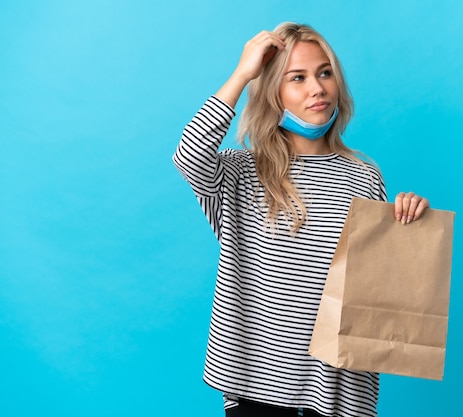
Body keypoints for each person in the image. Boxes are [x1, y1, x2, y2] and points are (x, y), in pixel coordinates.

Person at [173, 22, 429, 417]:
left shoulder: (364, 175)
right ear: (274, 92)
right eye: (298, 78)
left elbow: (379, 285)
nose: (317, 88)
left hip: (341, 387)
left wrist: (408, 225)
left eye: (324, 72)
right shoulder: (242, 172)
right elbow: (189, 155)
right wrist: (243, 74)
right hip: (258, 386)